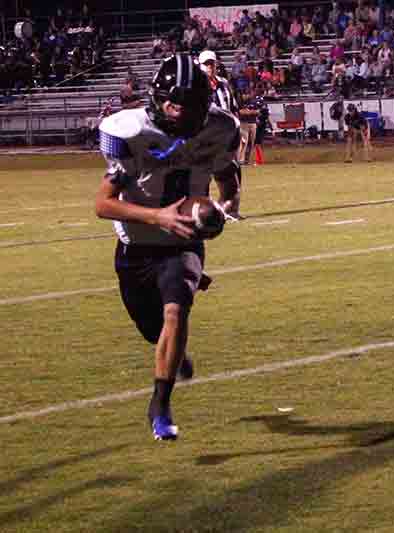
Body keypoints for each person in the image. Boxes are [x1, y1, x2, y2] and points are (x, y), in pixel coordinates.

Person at [95, 54, 240, 440]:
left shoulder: (219, 129)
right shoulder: (130, 131)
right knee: (152, 327)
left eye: (185, 105)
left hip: (183, 243)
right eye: (171, 103)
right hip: (137, 247)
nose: (176, 112)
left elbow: (228, 177)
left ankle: (160, 405)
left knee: (176, 313)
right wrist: (158, 216)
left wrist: (225, 209)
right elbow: (102, 204)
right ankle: (173, 357)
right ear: (156, 98)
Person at [199, 49, 245, 220]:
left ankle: (231, 209)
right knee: (203, 174)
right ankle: (204, 211)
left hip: (227, 134)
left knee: (233, 170)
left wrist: (238, 130)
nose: (210, 67)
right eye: (206, 64)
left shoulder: (224, 83)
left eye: (212, 63)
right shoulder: (196, 86)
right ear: (201, 66)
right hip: (206, 135)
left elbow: (233, 108)